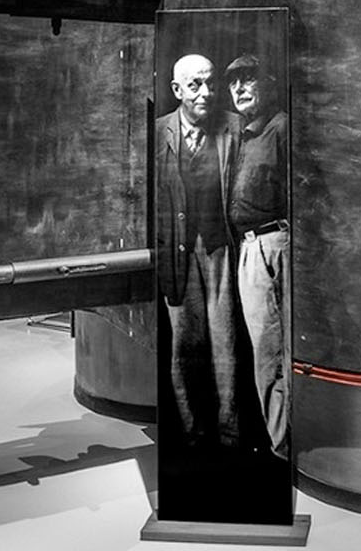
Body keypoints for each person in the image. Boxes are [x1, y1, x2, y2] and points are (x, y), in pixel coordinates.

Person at [155, 53, 245, 448]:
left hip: (220, 247)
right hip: (175, 254)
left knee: (225, 341)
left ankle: (230, 430)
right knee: (184, 344)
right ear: (177, 90)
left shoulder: (235, 127)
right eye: (195, 85)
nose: (206, 92)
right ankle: (192, 431)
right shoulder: (157, 133)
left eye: (210, 83)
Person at [225, 54, 291, 459]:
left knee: (277, 348)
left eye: (248, 79)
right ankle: (280, 440)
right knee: (264, 350)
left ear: (267, 82)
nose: (240, 88)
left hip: (277, 243)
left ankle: (286, 444)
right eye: (234, 82)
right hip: (249, 249)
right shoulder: (240, 135)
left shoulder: (281, 128)